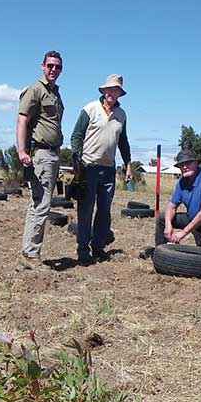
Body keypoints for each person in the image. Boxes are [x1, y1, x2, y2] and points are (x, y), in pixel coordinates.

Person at [70, 74, 131, 265]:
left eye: (117, 91)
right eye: (110, 89)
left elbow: (123, 142)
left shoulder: (122, 115)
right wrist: (77, 159)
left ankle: (98, 247)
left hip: (108, 170)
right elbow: (76, 136)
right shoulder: (90, 109)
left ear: (120, 94)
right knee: (86, 210)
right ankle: (82, 250)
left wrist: (128, 164)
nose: (113, 93)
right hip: (88, 167)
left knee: (104, 212)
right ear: (104, 91)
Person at [16, 51, 64, 262]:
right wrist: (21, 151)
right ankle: (31, 255)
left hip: (53, 154)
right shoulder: (35, 90)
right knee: (42, 204)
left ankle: (29, 251)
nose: (53, 70)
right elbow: (22, 121)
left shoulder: (55, 93)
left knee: (38, 203)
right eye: (50, 66)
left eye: (57, 67)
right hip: (41, 154)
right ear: (42, 66)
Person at [158, 149, 201, 250]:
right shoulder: (182, 182)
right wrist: (168, 225)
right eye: (181, 165)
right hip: (193, 219)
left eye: (188, 163)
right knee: (162, 218)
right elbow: (171, 206)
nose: (184, 167)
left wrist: (183, 232)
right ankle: (160, 250)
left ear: (196, 163)